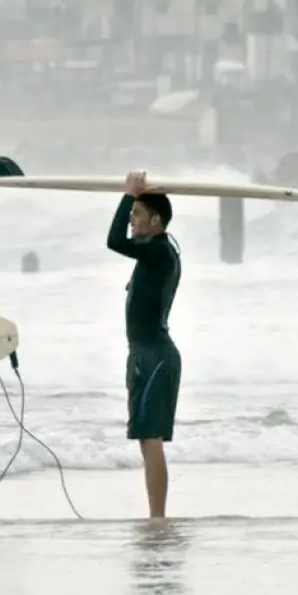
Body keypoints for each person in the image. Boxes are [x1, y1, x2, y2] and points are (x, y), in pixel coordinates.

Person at [105, 170, 183, 519]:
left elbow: (113, 242)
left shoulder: (161, 253)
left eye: (137, 215)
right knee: (145, 439)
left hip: (155, 356)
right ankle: (156, 517)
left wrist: (127, 195)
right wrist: (132, 197)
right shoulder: (153, 253)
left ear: (156, 220)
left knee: (150, 440)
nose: (132, 222)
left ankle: (158, 519)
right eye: (132, 214)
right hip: (143, 355)